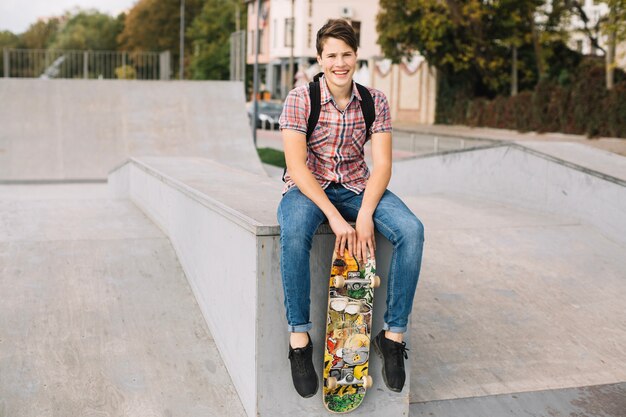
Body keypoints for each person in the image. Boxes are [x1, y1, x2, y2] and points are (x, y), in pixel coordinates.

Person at [277, 19, 425, 398]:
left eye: (346, 54)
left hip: (358, 187)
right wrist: (335, 217)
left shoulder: (375, 101)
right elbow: (296, 167)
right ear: (319, 58)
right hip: (309, 188)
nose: (339, 62)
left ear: (356, 55)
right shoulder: (301, 98)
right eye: (331, 55)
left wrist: (363, 215)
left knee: (411, 230)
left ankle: (392, 336)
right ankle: (299, 340)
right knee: (293, 233)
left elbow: (383, 166)